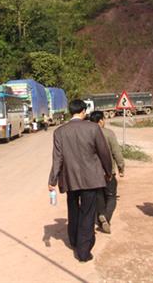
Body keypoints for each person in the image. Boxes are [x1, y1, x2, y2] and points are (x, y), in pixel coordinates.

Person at [48, 99, 112, 262]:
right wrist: (108, 171)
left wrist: (52, 180)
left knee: (73, 209)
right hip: (90, 178)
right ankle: (83, 251)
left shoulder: (60, 132)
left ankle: (74, 240)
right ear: (83, 111)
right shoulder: (93, 128)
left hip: (70, 178)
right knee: (87, 213)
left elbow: (57, 158)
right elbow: (103, 152)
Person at [89, 110, 125, 234]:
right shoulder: (109, 133)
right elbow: (116, 152)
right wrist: (121, 167)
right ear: (100, 121)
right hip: (108, 171)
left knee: (99, 195)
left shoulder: (87, 134)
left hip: (93, 172)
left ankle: (101, 214)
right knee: (111, 196)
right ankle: (106, 218)